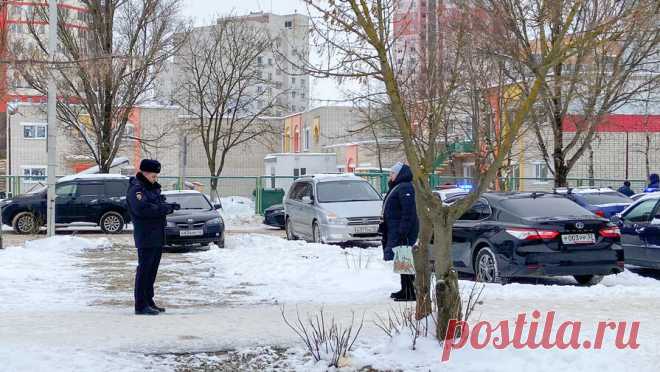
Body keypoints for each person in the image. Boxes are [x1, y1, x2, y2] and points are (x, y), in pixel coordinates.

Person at [127, 159, 180, 315]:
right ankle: (140, 305)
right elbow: (143, 209)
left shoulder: (150, 189)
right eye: (153, 176)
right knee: (144, 270)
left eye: (156, 176)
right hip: (145, 235)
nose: (155, 179)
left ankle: (149, 300)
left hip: (156, 235)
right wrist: (165, 209)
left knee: (152, 271)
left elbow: (156, 205)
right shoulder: (136, 189)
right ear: (144, 173)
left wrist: (168, 206)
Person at [380, 162, 419, 302]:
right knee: (402, 259)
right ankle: (405, 289)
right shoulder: (399, 187)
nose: (390, 176)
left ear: (399, 174)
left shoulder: (405, 187)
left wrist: (403, 230)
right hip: (397, 229)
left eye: (392, 173)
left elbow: (408, 212)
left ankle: (410, 292)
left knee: (404, 259)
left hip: (403, 231)